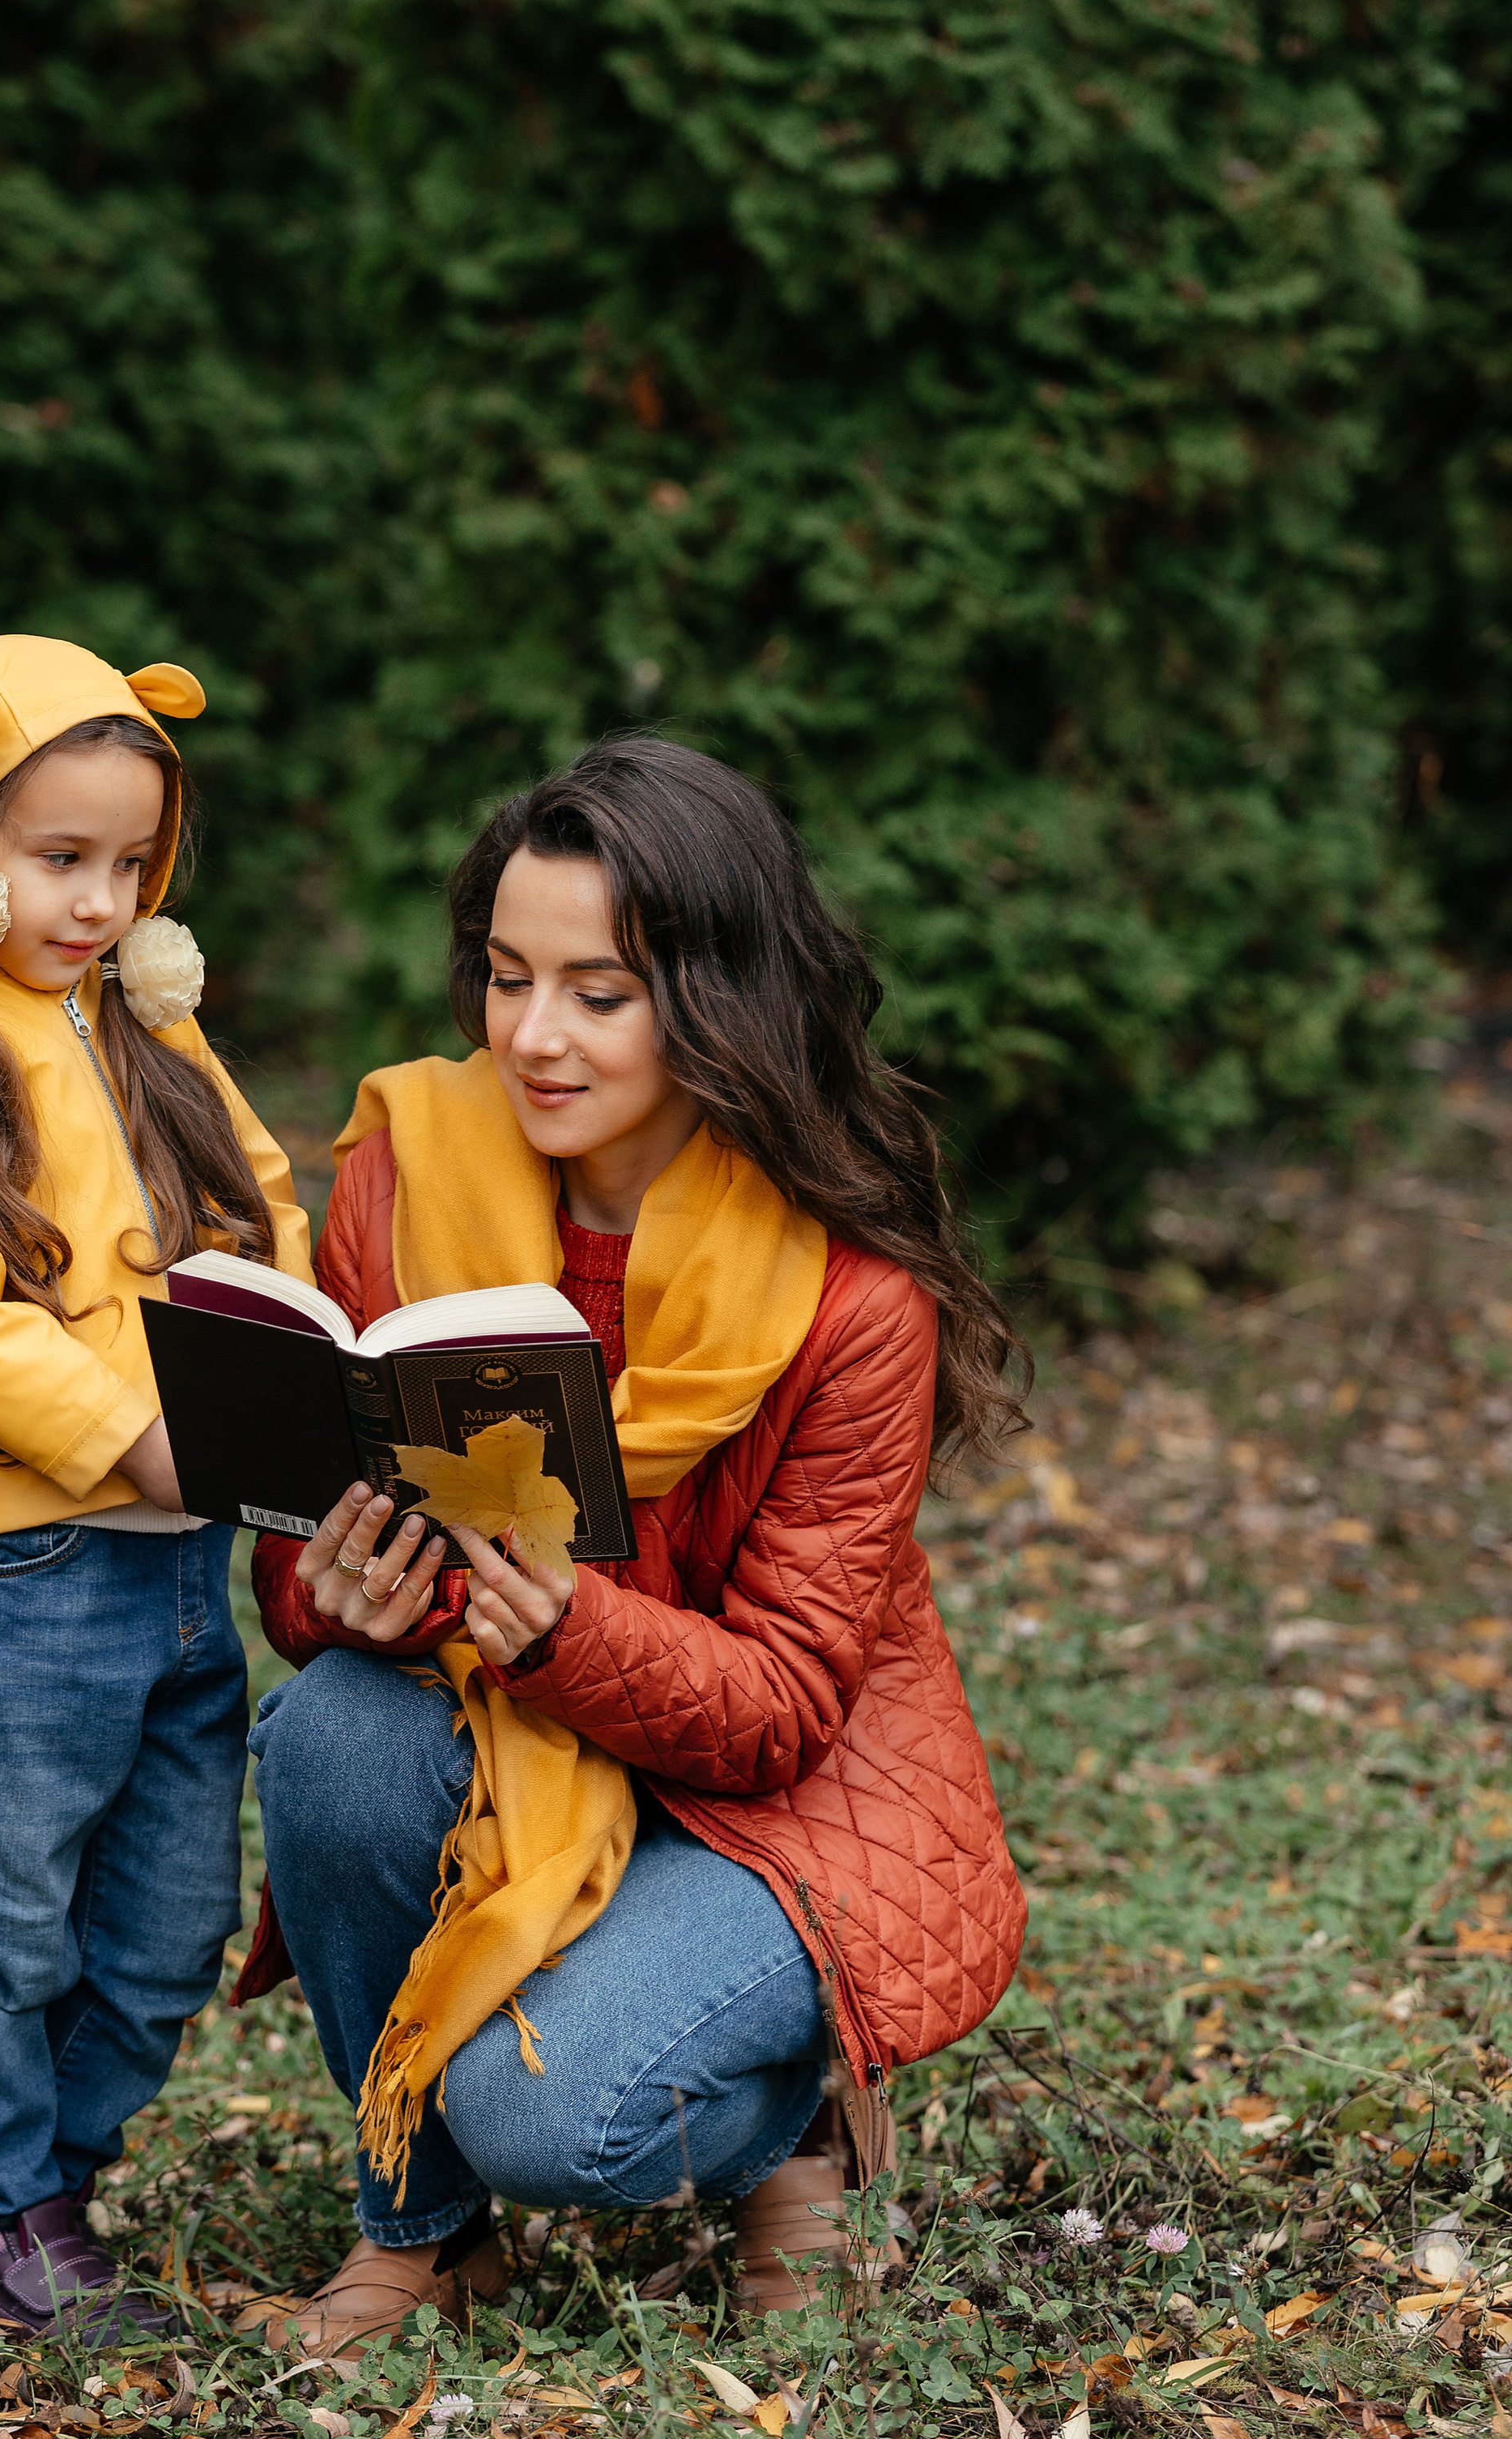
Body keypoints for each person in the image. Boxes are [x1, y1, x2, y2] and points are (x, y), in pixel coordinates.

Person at [237, 736, 1029, 2350]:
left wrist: (562, 1629)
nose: (530, 1036)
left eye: (598, 992)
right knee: (323, 1734)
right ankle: (427, 2236)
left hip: (770, 1807)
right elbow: (313, 1553)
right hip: (513, 1728)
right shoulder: (401, 1182)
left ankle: (793, 2122)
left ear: (715, 994)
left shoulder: (848, 1300)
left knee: (553, 2118)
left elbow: (789, 1702)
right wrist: (345, 1600)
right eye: (506, 976)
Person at [0, 635, 309, 2343]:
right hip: (4, 1568)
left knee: (169, 1930)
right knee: (4, 1914)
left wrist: (287, 1361)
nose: (95, 902)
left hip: (175, 1573)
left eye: (127, 866)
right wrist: (139, 1436)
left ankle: (60, 2169)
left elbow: (258, 1204)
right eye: (55, 858)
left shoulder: (143, 1032)